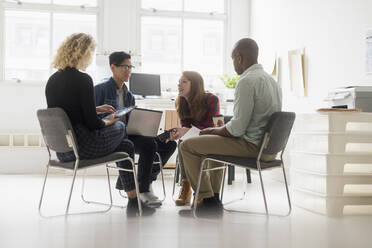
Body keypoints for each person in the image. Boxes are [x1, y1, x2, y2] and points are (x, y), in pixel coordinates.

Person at [45, 33, 155, 217]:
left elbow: (67, 113)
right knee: (120, 126)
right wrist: (108, 120)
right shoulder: (83, 79)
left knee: (126, 146)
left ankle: (134, 201)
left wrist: (94, 109)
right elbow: (93, 124)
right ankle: (135, 198)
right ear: (84, 52)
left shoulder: (53, 80)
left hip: (63, 150)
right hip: (84, 147)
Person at [178, 38, 282, 218]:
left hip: (252, 147)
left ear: (239, 57)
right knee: (215, 145)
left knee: (186, 146)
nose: (233, 63)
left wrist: (213, 130)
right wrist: (219, 132)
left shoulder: (247, 81)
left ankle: (207, 201)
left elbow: (237, 129)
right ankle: (214, 199)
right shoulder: (272, 82)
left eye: (233, 59)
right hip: (270, 149)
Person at [94, 51, 177, 207]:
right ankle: (144, 189)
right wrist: (110, 120)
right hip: (112, 136)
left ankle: (143, 180)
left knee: (169, 143)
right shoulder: (100, 89)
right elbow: (92, 118)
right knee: (149, 145)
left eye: (130, 67)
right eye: (125, 67)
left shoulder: (129, 95)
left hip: (129, 134)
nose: (129, 70)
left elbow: (131, 121)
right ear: (113, 67)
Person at [167, 71, 220, 206]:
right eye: (179, 82)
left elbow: (210, 127)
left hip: (210, 136)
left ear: (195, 84)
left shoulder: (211, 99)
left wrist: (187, 131)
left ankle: (196, 190)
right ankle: (186, 186)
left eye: (184, 82)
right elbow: (185, 126)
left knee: (186, 143)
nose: (179, 85)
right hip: (193, 138)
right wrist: (179, 133)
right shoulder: (180, 101)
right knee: (182, 142)